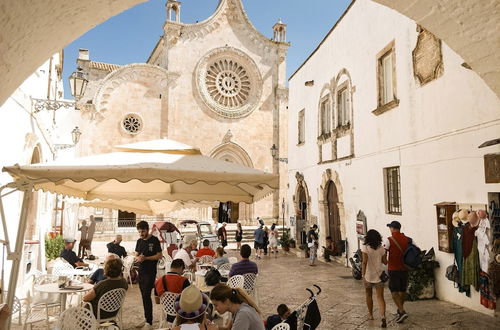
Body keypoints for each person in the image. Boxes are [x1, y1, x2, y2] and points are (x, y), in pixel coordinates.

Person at [135, 220, 163, 329]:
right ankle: (147, 318)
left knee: (146, 295)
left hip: (150, 272)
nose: (141, 234)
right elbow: (136, 254)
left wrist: (146, 258)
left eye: (142, 231)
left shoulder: (154, 240)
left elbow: (159, 255)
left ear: (147, 230)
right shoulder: (139, 241)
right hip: (140, 272)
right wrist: (138, 258)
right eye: (139, 232)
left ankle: (149, 323)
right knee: (143, 296)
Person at [384, 220, 411, 324]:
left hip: (393, 269)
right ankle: (400, 311)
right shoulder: (408, 239)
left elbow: (384, 254)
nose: (389, 229)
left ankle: (402, 311)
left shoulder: (389, 240)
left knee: (394, 291)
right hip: (405, 268)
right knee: (402, 290)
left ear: (393, 228)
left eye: (390, 228)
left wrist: (386, 261)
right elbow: (415, 249)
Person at [361, 229, 388, 328]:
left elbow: (364, 262)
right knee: (380, 297)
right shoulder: (381, 248)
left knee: (368, 295)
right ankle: (383, 316)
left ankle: (371, 314)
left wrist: (363, 275)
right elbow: (385, 262)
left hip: (368, 275)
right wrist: (386, 254)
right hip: (379, 276)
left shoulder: (365, 247)